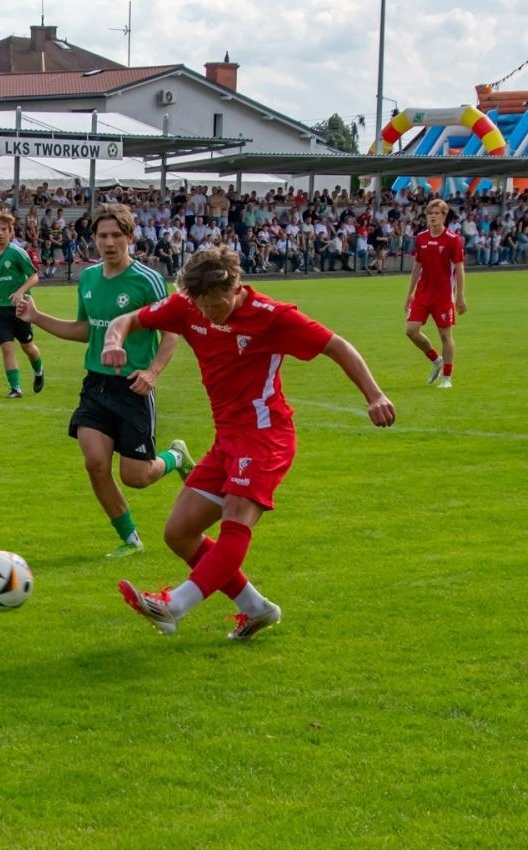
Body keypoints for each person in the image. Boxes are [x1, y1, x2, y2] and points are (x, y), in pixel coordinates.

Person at [102, 248, 395, 639]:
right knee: (178, 533)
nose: (209, 314)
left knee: (235, 519)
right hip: (227, 440)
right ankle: (257, 609)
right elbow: (128, 319)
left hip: (265, 437)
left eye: (217, 304)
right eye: (202, 306)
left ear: (235, 286)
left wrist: (374, 396)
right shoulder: (187, 307)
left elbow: (336, 345)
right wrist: (113, 339)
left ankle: (174, 606)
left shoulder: (272, 317)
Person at [14, 203, 193, 559]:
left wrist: (152, 372)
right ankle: (130, 539)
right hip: (95, 385)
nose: (109, 242)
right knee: (95, 463)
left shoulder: (147, 280)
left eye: (116, 235)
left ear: (129, 237)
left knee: (136, 476)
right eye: (102, 236)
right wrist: (37, 316)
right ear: (93, 239)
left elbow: (172, 330)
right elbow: (85, 330)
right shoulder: (89, 278)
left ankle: (176, 456)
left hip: (133, 388)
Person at [0, 208, 44, 398]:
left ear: (10, 231)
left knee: (27, 347)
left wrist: (20, 292)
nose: (0, 233)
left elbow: (34, 276)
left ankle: (39, 371)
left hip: (21, 308)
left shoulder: (17, 253)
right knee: (6, 347)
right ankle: (16, 388)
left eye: (4, 229)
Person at [403, 198, 466, 388]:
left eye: (436, 213)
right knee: (411, 330)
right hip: (423, 293)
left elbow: (460, 269)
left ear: (444, 216)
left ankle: (447, 377)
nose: (432, 217)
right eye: (430, 214)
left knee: (445, 336)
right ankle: (436, 359)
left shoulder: (453, 240)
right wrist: (410, 293)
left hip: (443, 295)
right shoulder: (421, 238)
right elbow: (417, 267)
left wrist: (461, 295)